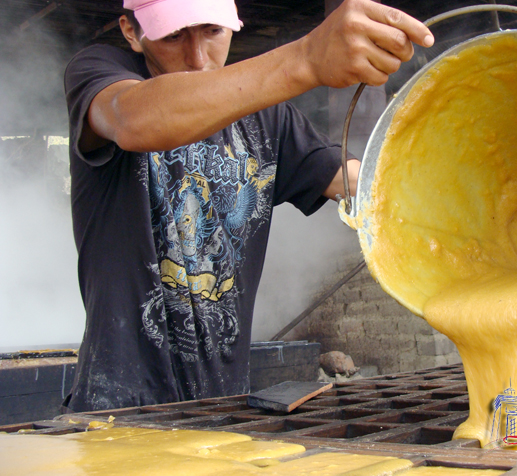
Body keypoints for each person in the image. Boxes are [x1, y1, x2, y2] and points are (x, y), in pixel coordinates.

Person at [63, 0, 434, 412]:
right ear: (132, 32)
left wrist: (441, 196)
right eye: (174, 36)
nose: (198, 57)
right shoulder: (100, 75)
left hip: (223, 405)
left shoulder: (268, 118)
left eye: (212, 31)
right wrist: (306, 58)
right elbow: (134, 119)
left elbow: (355, 181)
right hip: (118, 406)